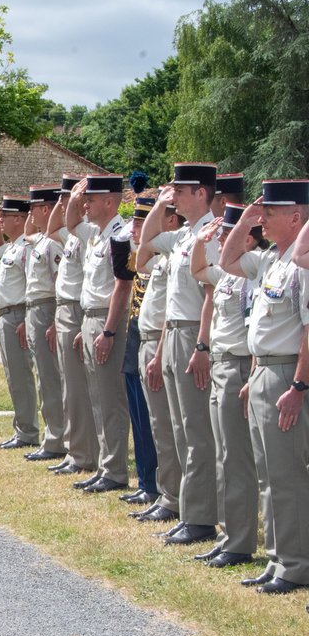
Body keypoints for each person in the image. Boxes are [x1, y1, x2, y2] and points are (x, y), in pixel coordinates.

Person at [220, 180, 309, 594]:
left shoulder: (301, 266)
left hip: (286, 374)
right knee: (268, 476)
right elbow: (228, 259)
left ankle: (295, 564)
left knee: (287, 474)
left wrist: (299, 386)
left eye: (270, 212)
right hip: (262, 372)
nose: (263, 218)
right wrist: (245, 220)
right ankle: (277, 559)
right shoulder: (271, 260)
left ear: (296, 217)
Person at [137, 163, 220, 545]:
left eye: (181, 190)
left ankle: (201, 518)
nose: (175, 196)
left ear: (201, 192)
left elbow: (211, 293)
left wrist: (202, 344)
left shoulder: (212, 233)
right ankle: (189, 510)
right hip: (173, 331)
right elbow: (148, 241)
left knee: (196, 430)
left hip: (192, 334)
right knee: (179, 428)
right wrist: (158, 203)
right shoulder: (185, 234)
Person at [190, 204, 259, 567]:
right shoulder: (231, 272)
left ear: (247, 237)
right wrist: (201, 242)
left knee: (237, 460)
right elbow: (198, 270)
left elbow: (253, 329)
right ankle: (229, 534)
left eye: (227, 234)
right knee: (223, 456)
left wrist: (250, 373)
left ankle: (240, 541)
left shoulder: (250, 274)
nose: (221, 239)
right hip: (221, 364)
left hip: (238, 366)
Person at [67, 174, 132, 493]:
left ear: (110, 201)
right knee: (96, 396)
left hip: (108, 322)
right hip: (90, 318)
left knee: (110, 398)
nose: (85, 205)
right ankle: (107, 465)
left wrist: (107, 331)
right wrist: (73, 199)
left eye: (90, 200)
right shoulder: (95, 233)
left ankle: (116, 470)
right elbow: (69, 224)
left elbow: (123, 286)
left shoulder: (120, 235)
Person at [131, 200, 185, 523]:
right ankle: (169, 494)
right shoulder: (165, 255)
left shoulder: (179, 250)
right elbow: (140, 256)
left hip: (161, 343)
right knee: (159, 426)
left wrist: (161, 352)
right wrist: (160, 206)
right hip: (149, 341)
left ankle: (174, 497)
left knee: (169, 427)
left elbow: (170, 313)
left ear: (172, 220)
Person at [45, 176, 99, 476]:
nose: (67, 205)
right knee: (70, 386)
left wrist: (73, 202)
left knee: (79, 387)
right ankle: (75, 448)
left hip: (78, 309)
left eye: (76, 200)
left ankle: (83, 453)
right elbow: (52, 228)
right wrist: (66, 198)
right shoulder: (72, 234)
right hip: (66, 309)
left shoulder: (85, 235)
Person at [112, 195, 159, 508]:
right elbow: (119, 244)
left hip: (152, 335)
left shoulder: (157, 257)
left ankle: (155, 484)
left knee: (154, 418)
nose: (135, 229)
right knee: (138, 416)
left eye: (142, 222)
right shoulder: (139, 254)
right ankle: (145, 481)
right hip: (135, 333)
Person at [0, 195, 38, 450]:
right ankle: (22, 429)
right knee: (13, 376)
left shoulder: (27, 248)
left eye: (5, 217)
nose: (1, 221)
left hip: (18, 315)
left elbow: (35, 284)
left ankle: (28, 432)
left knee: (21, 376)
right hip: (6, 316)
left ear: (19, 218)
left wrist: (27, 319)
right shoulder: (13, 247)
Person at [22, 185, 66, 461]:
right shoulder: (38, 240)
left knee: (50, 378)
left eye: (35, 207)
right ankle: (52, 434)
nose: (30, 212)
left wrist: (53, 322)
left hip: (47, 308)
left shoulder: (53, 244)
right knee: (42, 377)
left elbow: (58, 283)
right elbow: (27, 232)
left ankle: (56, 438)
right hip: (33, 309)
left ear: (47, 209)